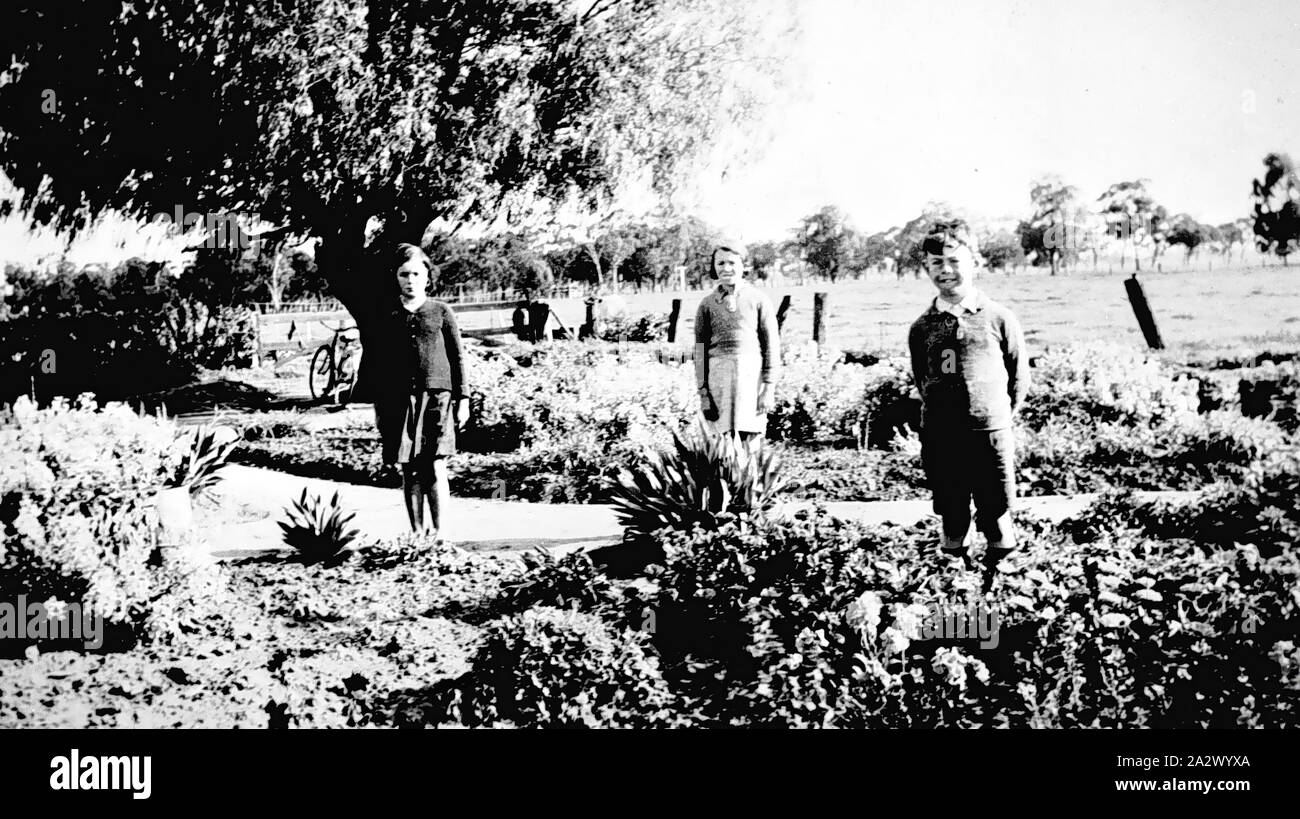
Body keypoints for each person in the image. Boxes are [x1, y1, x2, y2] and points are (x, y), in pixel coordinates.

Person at [907, 220, 1029, 589]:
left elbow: (1018, 375)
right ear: (926, 268)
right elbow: (923, 377)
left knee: (996, 507)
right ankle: (954, 579)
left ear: (974, 261)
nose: (946, 270)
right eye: (936, 263)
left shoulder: (998, 318)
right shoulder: (923, 327)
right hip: (944, 433)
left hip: (989, 430)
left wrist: (997, 416)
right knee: (952, 507)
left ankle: (1001, 578)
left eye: (954, 261)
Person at [373, 243, 470, 537]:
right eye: (404, 274)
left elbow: (458, 357)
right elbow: (379, 367)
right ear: (396, 278)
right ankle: (417, 534)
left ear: (427, 276)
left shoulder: (441, 312)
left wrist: (463, 400)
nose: (410, 279)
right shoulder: (387, 316)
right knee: (409, 468)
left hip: (437, 399)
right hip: (399, 401)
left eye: (416, 273)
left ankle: (440, 534)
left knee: (435, 465)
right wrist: (379, 409)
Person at [693, 245, 780, 450]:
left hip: (751, 375)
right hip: (718, 376)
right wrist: (703, 393)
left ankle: (750, 479)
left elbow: (772, 345)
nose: (726, 268)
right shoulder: (707, 304)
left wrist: (769, 387)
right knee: (719, 438)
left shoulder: (758, 299)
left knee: (751, 435)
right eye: (720, 263)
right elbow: (699, 351)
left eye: (732, 263)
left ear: (743, 266)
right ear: (714, 268)